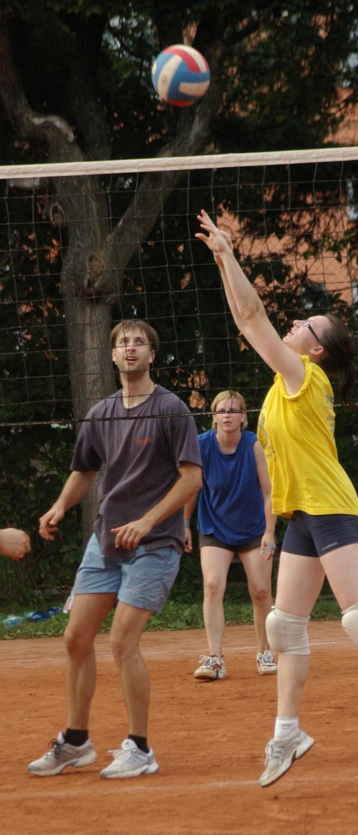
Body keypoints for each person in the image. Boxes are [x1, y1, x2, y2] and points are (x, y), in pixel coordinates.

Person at [196, 210, 358, 787]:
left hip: (328, 506)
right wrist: (222, 262)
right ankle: (288, 733)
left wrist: (229, 255)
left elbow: (253, 317)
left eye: (306, 323)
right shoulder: (284, 380)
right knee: (284, 627)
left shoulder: (305, 377)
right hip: (303, 512)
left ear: (317, 351)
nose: (294, 323)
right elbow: (245, 320)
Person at [28, 319, 202, 779]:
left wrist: (148, 521)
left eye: (139, 342)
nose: (130, 348)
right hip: (105, 542)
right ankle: (77, 741)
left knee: (122, 641)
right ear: (111, 355)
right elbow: (85, 470)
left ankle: (140, 748)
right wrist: (60, 506)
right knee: (75, 638)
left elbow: (192, 478)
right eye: (123, 342)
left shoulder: (171, 409)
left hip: (154, 543)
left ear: (151, 355)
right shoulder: (100, 413)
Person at [184, 389, 277, 681]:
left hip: (253, 528)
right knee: (213, 585)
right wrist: (184, 523)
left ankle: (265, 652)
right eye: (222, 411)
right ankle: (215, 659)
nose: (227, 416)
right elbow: (190, 487)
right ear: (213, 416)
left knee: (261, 591)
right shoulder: (201, 445)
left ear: (243, 417)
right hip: (215, 527)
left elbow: (269, 493)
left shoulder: (254, 445)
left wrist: (270, 532)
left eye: (234, 411)